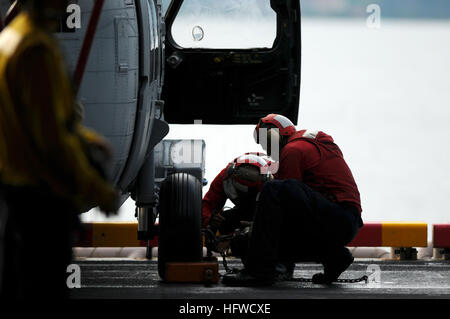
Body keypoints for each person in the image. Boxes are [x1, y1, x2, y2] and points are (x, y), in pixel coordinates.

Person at [0, 0, 119, 298]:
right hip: (44, 200)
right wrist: (98, 190)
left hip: (16, 193)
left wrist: (85, 138)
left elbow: (36, 120)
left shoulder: (10, 39)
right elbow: (52, 141)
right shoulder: (37, 51)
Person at [222, 114, 363, 286]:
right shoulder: (312, 143)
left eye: (268, 142)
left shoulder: (293, 151)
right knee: (243, 243)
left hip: (337, 217)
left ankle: (258, 272)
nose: (268, 149)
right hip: (342, 222)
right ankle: (334, 256)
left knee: (273, 189)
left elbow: (283, 206)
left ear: (276, 136)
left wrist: (256, 226)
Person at [202, 153, 275, 258]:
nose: (246, 195)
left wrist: (261, 226)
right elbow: (207, 205)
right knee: (222, 220)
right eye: (242, 191)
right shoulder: (224, 177)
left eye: (252, 192)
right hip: (247, 212)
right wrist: (209, 220)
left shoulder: (277, 177)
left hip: (266, 212)